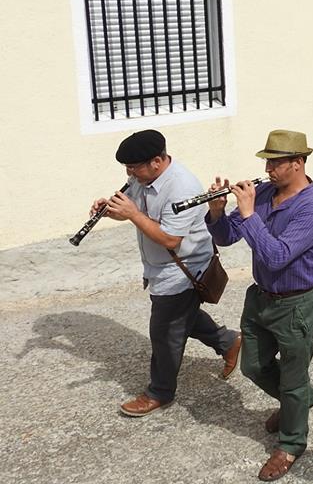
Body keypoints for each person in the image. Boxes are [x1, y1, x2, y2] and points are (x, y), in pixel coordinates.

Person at [206, 130, 313, 482]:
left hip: (298, 303)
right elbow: (227, 237)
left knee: (292, 378)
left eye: (276, 162)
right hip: (262, 297)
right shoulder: (263, 194)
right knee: (254, 366)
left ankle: (291, 443)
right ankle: (302, 401)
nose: (269, 169)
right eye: (267, 161)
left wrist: (248, 215)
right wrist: (217, 213)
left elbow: (277, 257)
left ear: (298, 163)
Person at [94, 130, 240, 418]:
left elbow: (170, 239)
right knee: (180, 316)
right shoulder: (143, 177)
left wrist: (133, 215)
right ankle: (229, 341)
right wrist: (111, 211)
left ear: (158, 161)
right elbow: (135, 208)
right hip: (161, 268)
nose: (129, 173)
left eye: (134, 167)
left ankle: (159, 392)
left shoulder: (182, 187)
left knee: (163, 333)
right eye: (127, 168)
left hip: (182, 269)